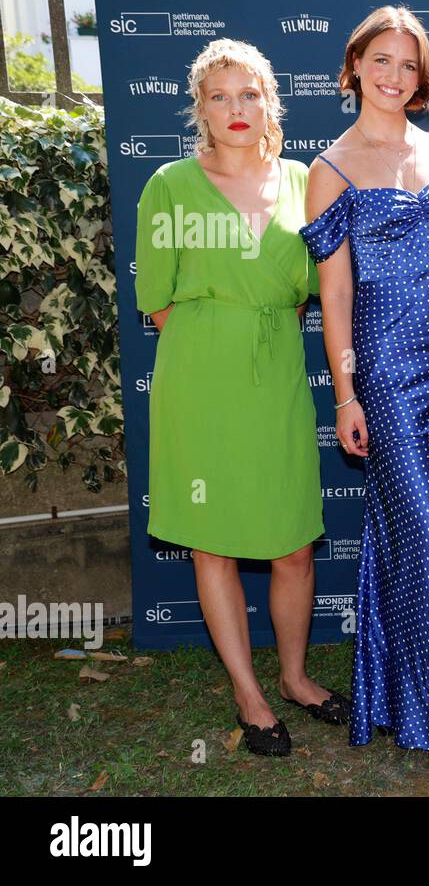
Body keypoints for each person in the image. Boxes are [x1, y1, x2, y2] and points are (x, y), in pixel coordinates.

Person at [301, 6, 429, 766]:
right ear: (354, 65)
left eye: (408, 64)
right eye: (380, 60)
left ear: (424, 77)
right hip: (388, 373)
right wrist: (348, 395)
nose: (394, 75)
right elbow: (333, 299)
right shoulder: (329, 171)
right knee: (421, 531)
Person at [135, 38, 341, 757]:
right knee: (214, 545)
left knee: (292, 545)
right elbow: (156, 300)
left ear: (270, 101)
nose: (236, 109)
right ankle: (248, 694)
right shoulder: (167, 185)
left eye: (248, 94)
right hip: (199, 384)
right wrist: (214, 336)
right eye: (219, 96)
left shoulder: (303, 181)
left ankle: (293, 677)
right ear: (201, 109)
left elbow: (322, 290)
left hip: (276, 375)